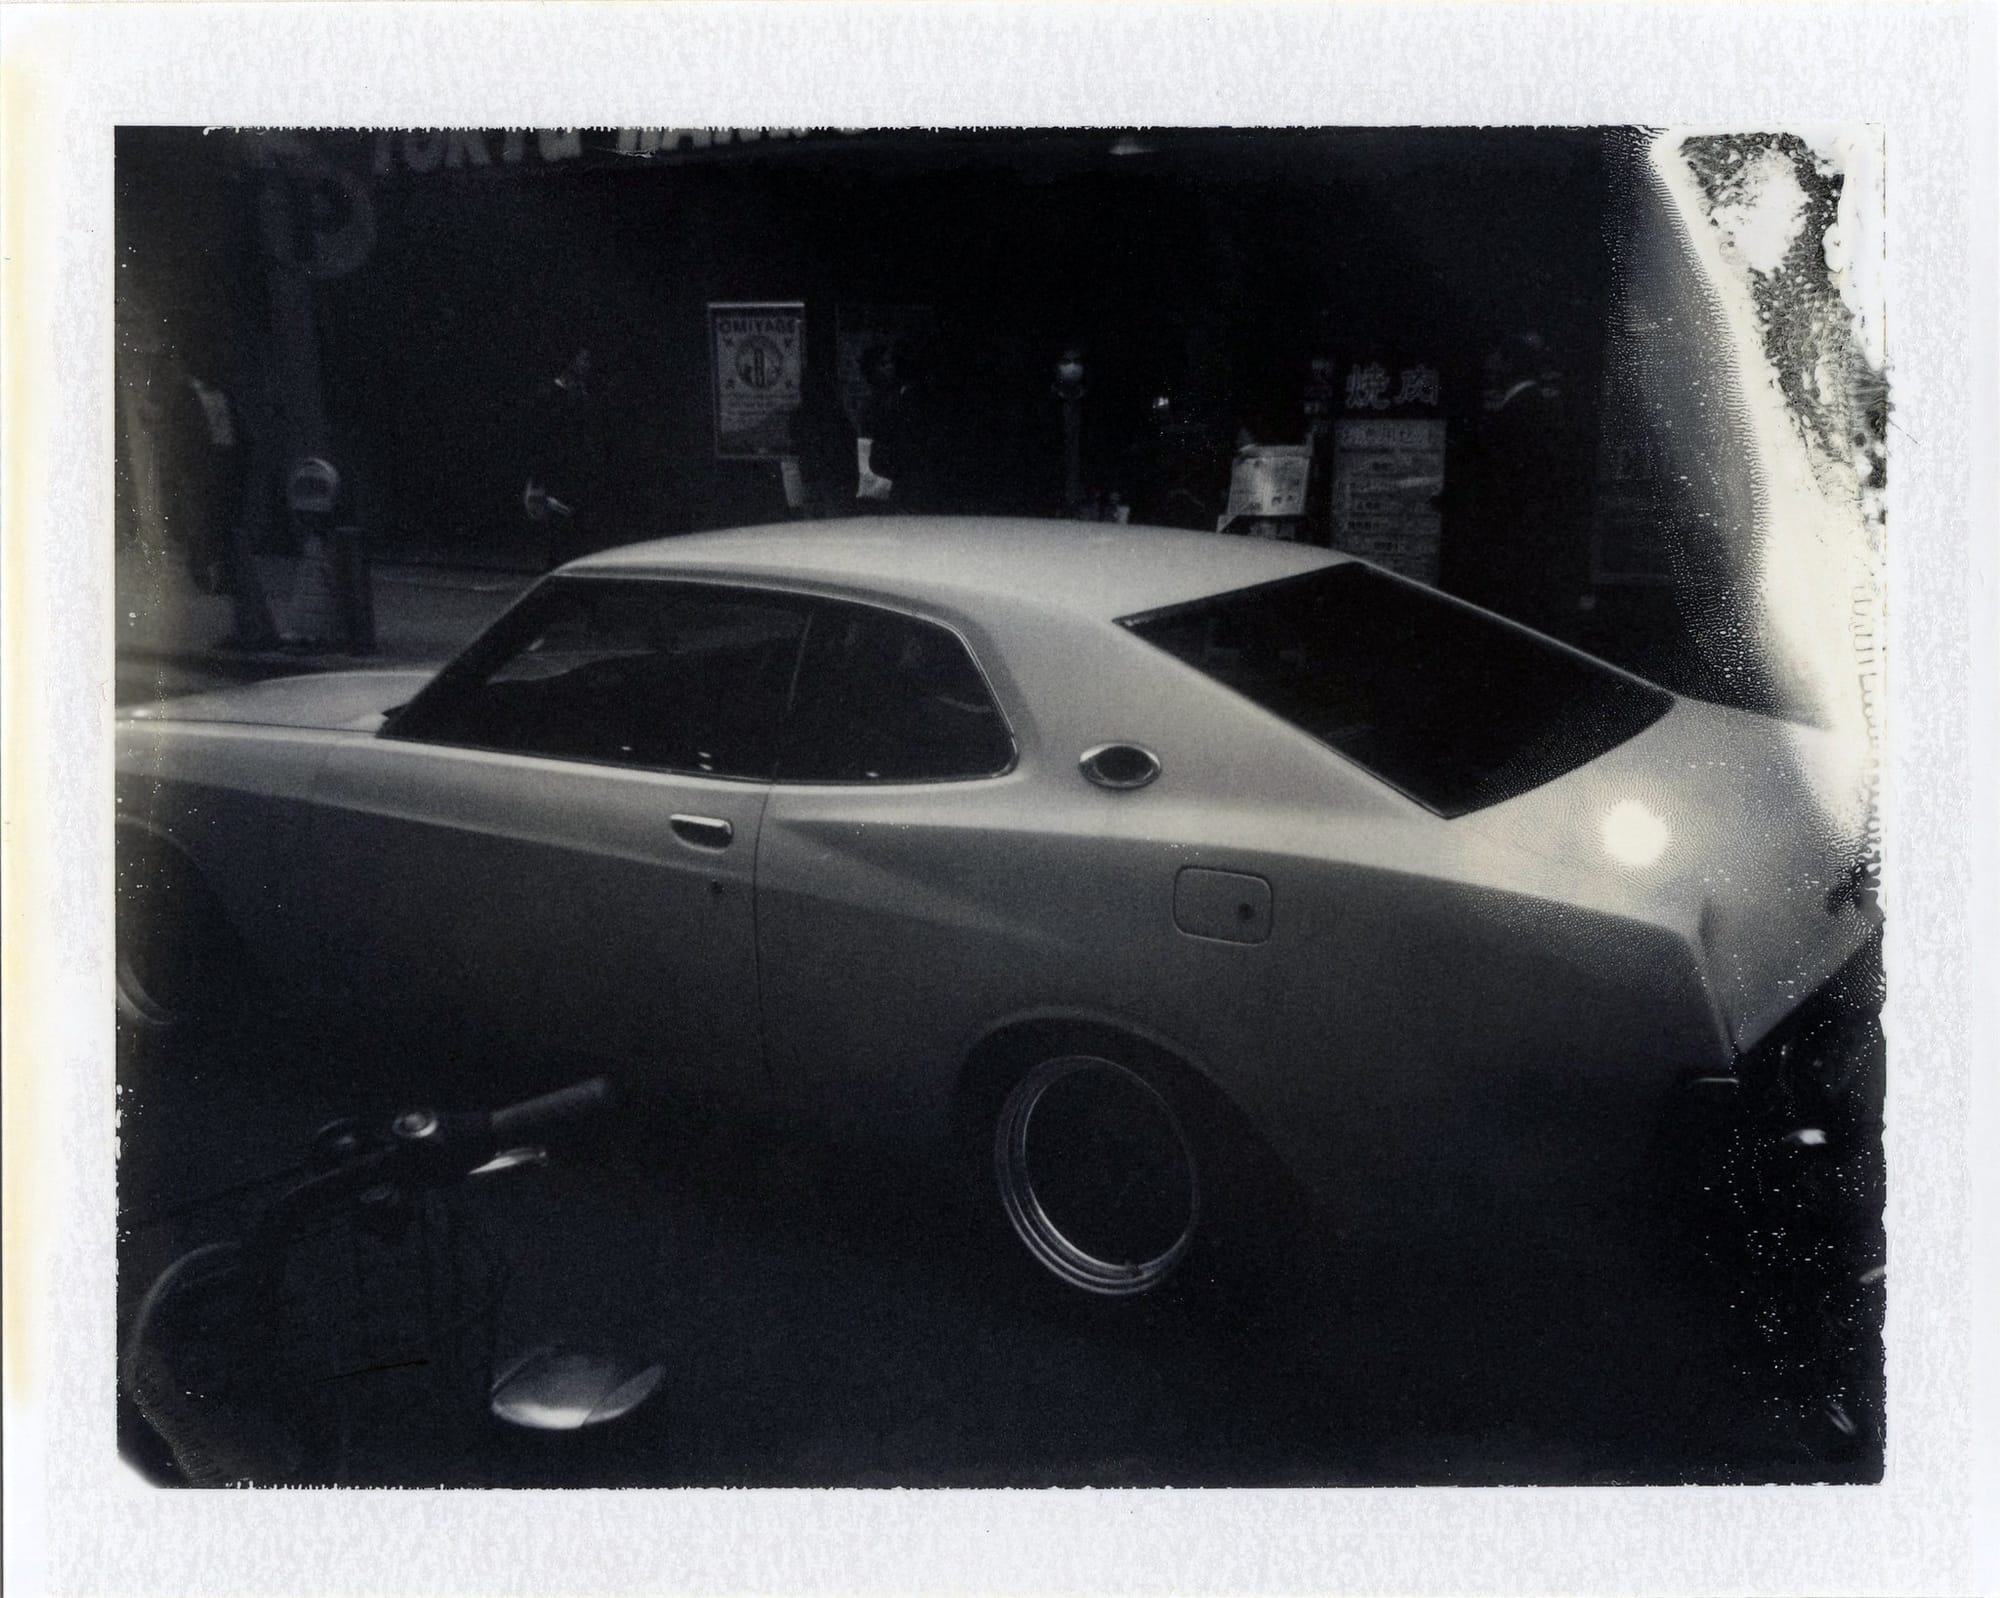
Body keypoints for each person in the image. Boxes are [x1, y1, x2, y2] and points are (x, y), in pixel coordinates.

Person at [164, 361, 279, 648]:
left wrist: (241, 459)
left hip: (227, 466)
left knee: (225, 529)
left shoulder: (222, 394)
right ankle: (210, 572)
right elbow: (179, 437)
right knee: (206, 526)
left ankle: (222, 577)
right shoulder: (184, 396)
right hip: (203, 468)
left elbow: (237, 429)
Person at [523, 348, 604, 569]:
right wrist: (538, 479)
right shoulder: (551, 395)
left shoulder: (580, 392)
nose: (587, 366)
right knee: (559, 520)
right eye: (583, 360)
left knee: (570, 518)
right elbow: (543, 437)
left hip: (575, 467)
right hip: (557, 469)